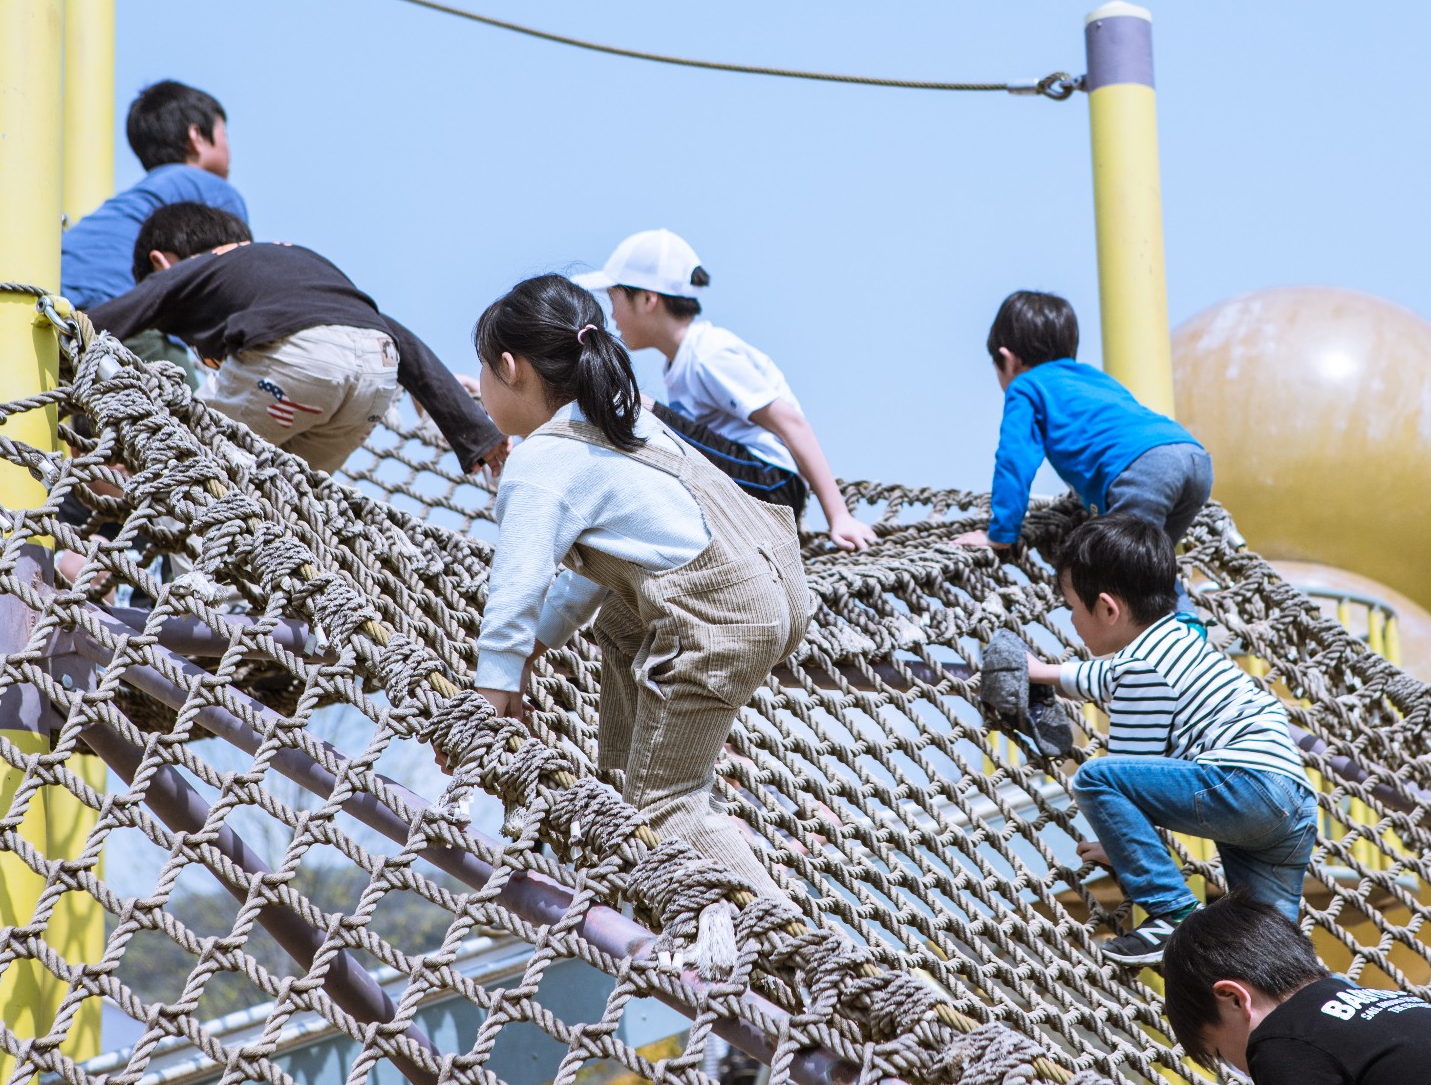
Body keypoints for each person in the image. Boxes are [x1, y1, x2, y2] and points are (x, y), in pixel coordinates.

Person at [467, 274, 809, 901]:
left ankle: (783, 931)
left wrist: (491, 699)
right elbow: (605, 575)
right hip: (773, 583)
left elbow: (516, 585)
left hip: (716, 618)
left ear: (509, 369)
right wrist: (531, 651)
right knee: (623, 624)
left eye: (483, 371)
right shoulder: (625, 424)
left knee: (671, 803)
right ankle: (622, 782)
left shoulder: (541, 462)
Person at [1023, 515, 1316, 965]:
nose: (1070, 620)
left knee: (1097, 777)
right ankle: (1297, 987)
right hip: (1289, 800)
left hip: (1243, 785)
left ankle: (1171, 915)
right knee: (1266, 944)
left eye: (1071, 607)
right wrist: (1046, 672)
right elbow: (1101, 675)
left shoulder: (1139, 670)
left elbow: (1130, 772)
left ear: (1106, 608)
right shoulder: (1178, 636)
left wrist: (1122, 844)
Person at [86, 203, 506, 476]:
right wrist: (475, 434)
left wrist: (68, 331)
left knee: (188, 464)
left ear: (163, 262)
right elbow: (396, 334)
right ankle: (262, 599)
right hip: (376, 379)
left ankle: (192, 594)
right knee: (284, 493)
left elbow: (132, 308)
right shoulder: (292, 262)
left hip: (299, 366)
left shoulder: (195, 268)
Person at [575, 229, 876, 551]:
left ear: (648, 299)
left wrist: (839, 516)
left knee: (641, 412)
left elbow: (792, 424)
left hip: (771, 482)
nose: (612, 315)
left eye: (613, 299)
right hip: (747, 481)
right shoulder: (681, 362)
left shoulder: (708, 354)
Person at [1161, 891, 1431, 1085]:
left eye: (1221, 1051)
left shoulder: (1281, 1039)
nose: (1237, 1069)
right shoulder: (1377, 1002)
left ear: (1233, 997)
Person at [954, 291, 1211, 570]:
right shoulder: (1094, 378)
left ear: (1007, 360)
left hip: (1145, 472)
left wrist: (1000, 535)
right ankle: (1184, 616)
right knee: (1150, 572)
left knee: (1118, 578)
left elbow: (1014, 460)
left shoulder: (1026, 386)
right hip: (1193, 458)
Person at [61, 81, 245, 309]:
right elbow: (239, 275)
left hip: (59, 295)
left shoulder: (146, 194)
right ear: (196, 136)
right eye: (224, 134)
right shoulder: (213, 190)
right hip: (114, 299)